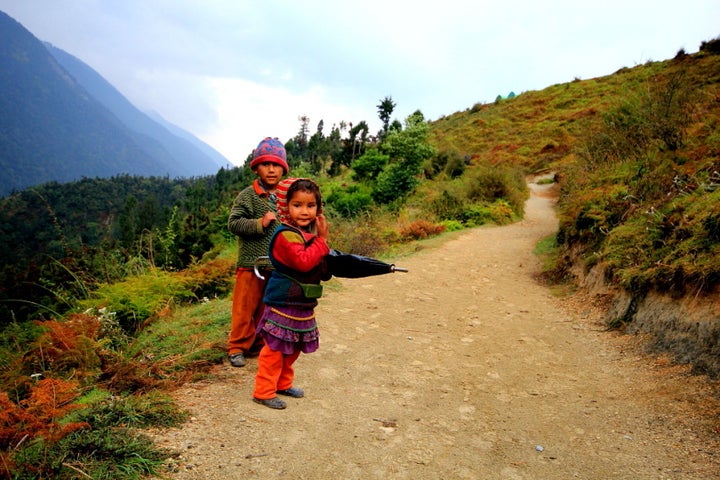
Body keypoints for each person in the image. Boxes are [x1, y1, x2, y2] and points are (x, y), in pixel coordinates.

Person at [252, 177, 330, 409]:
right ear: (286, 207)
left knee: (292, 348)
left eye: (310, 205)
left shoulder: (308, 236)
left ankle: (282, 384)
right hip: (282, 302)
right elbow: (304, 262)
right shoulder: (285, 235)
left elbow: (319, 266)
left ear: (318, 208)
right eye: (297, 205)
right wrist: (323, 241)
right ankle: (263, 391)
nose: (304, 211)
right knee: (275, 349)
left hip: (303, 304)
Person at [227, 137, 289, 368]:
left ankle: (260, 344)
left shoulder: (286, 196)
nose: (271, 170)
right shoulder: (248, 195)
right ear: (256, 168)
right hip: (249, 263)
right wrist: (259, 224)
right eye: (265, 164)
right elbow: (233, 223)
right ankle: (237, 347)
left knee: (268, 307)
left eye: (276, 165)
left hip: (276, 265)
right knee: (244, 307)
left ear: (283, 168)